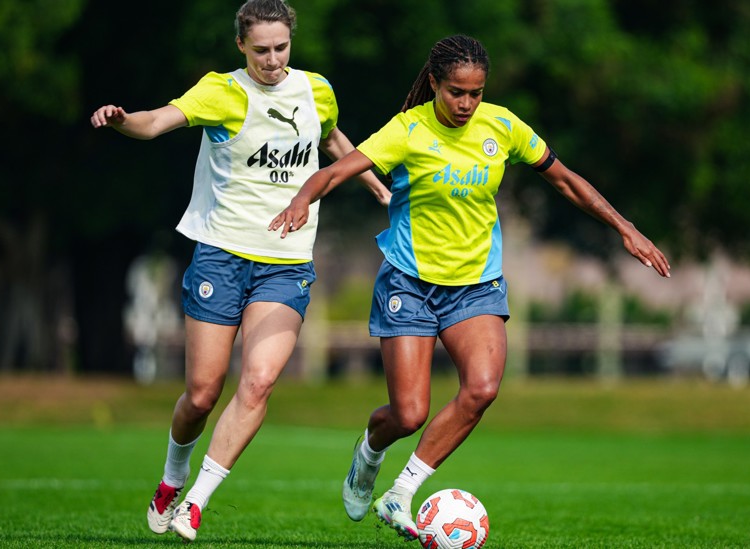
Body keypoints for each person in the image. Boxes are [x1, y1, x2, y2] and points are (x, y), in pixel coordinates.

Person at [270, 34, 671, 541]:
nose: (466, 103)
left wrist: (624, 227)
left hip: (476, 285)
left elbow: (565, 180)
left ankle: (401, 491)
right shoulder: (407, 130)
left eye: (475, 93)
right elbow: (336, 171)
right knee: (409, 413)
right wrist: (303, 197)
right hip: (409, 282)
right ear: (435, 83)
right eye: (456, 91)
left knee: (481, 389)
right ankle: (370, 450)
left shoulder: (502, 126)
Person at [90, 0, 390, 543]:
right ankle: (171, 479)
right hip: (221, 256)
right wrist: (121, 119)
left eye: (281, 48)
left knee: (258, 381)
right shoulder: (221, 91)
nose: (273, 61)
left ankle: (197, 503)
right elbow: (156, 122)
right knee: (202, 394)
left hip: (287, 263)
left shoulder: (316, 89)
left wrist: (377, 186)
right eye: (261, 51)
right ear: (240, 47)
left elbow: (331, 140)